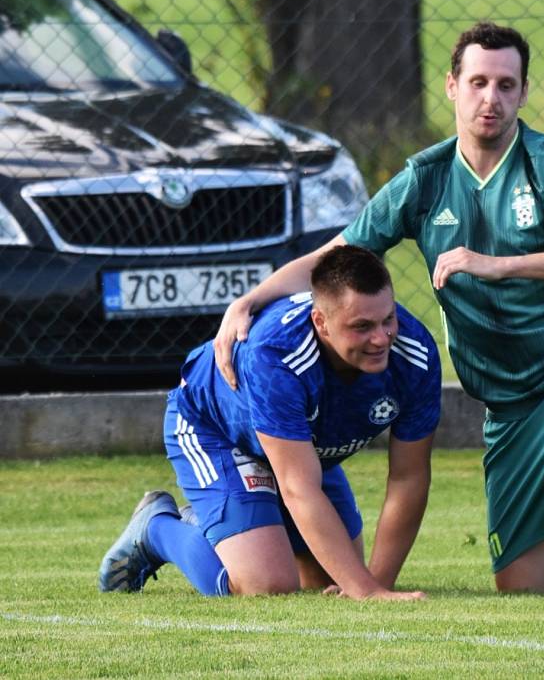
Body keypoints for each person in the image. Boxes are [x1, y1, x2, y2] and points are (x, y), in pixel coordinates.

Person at [213, 23, 544, 595]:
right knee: (523, 586)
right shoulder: (423, 179)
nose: (491, 97)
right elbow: (335, 259)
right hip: (512, 399)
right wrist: (250, 298)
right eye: (479, 82)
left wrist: (497, 264)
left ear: (523, 92)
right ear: (452, 86)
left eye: (506, 85)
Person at [98, 245, 442, 600]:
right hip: (216, 430)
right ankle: (157, 529)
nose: (381, 337)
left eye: (388, 319)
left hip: (300, 449)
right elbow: (298, 487)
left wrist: (376, 584)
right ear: (320, 322)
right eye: (361, 327)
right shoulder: (276, 355)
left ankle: (241, 526)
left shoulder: (414, 353)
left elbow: (409, 476)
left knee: (329, 577)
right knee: (267, 584)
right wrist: (365, 590)